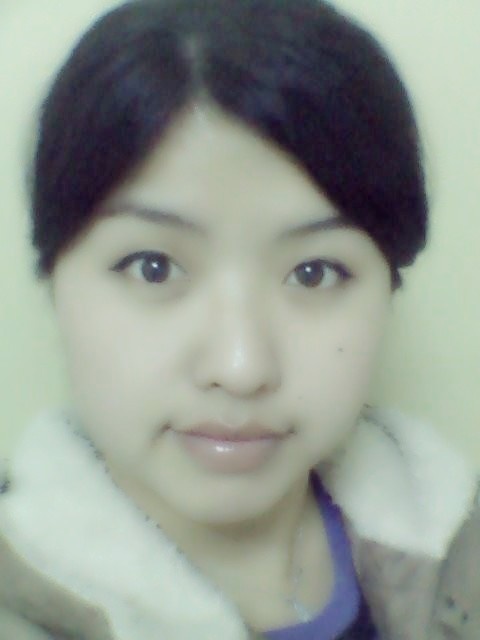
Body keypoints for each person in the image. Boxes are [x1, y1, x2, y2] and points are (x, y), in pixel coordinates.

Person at [0, 0, 479, 638]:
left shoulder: (458, 547)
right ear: (54, 278)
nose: (241, 367)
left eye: (314, 272)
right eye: (153, 268)